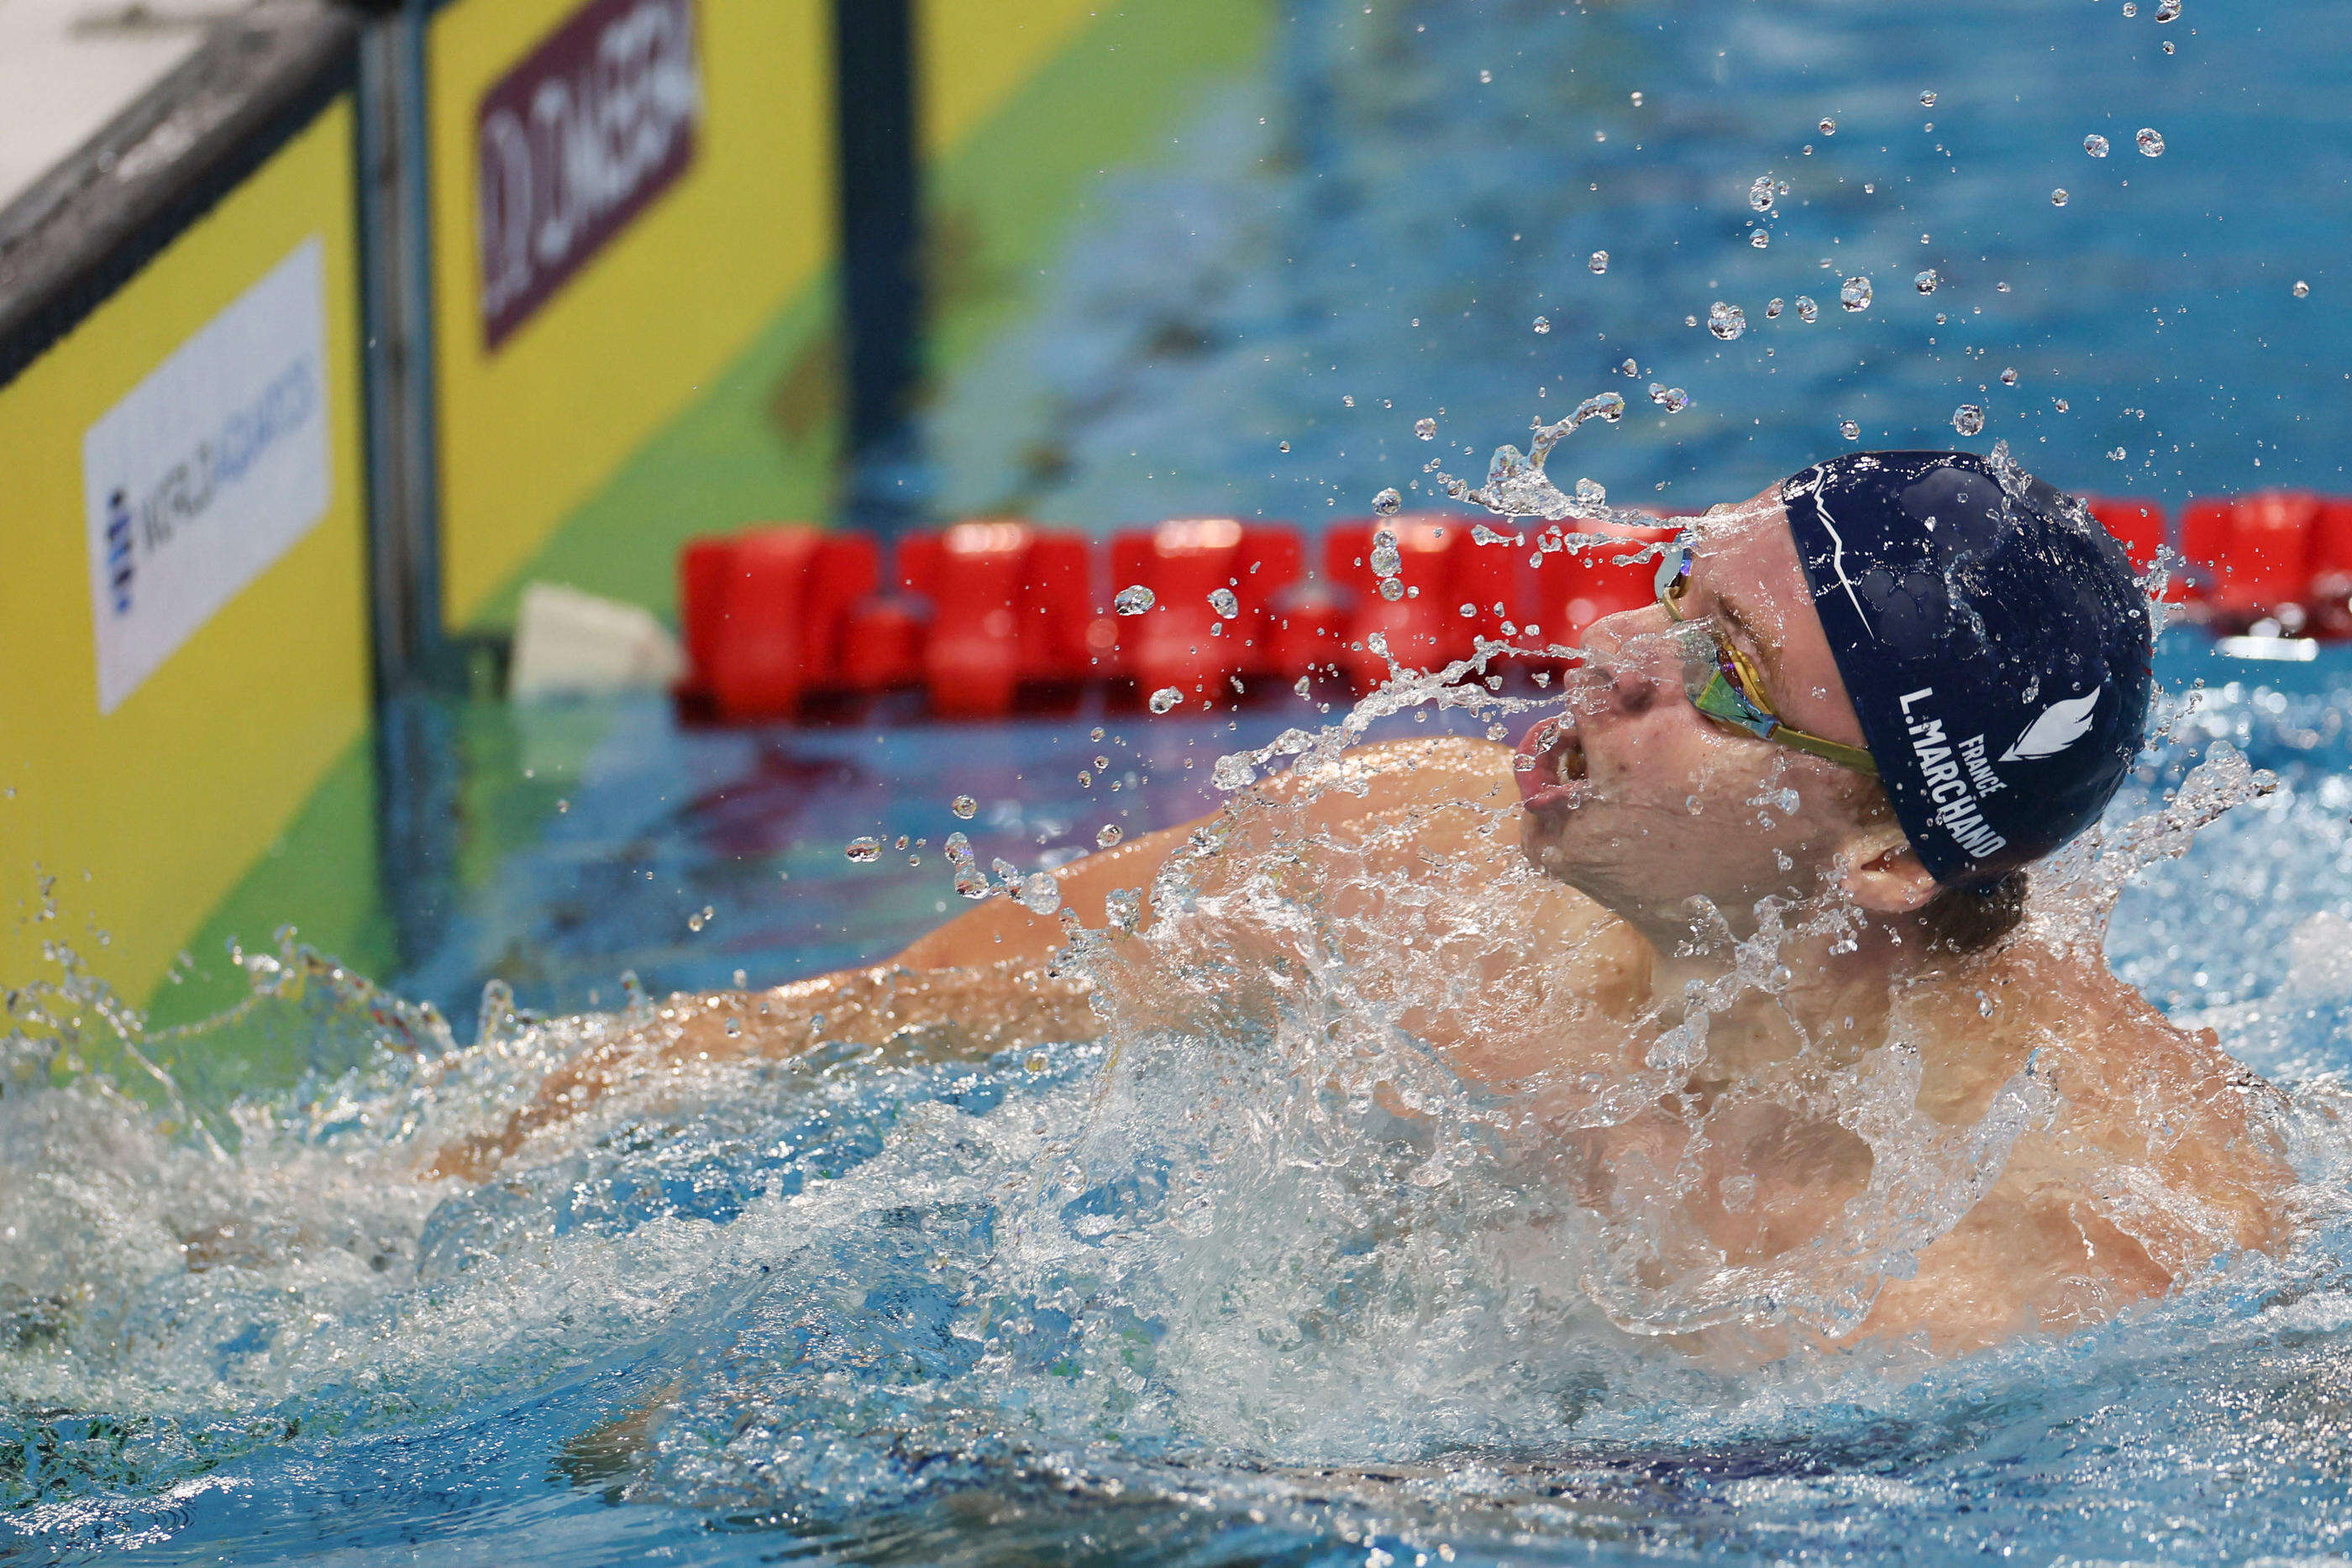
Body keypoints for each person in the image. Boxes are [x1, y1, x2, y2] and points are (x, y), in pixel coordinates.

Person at [429, 451, 2292, 1359]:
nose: (1603, 658)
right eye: (1664, 587)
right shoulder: (1386, 870)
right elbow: (822, 1029)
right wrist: (377, 1203)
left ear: (1888, 856)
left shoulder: (2052, 1253)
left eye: (1721, 676)